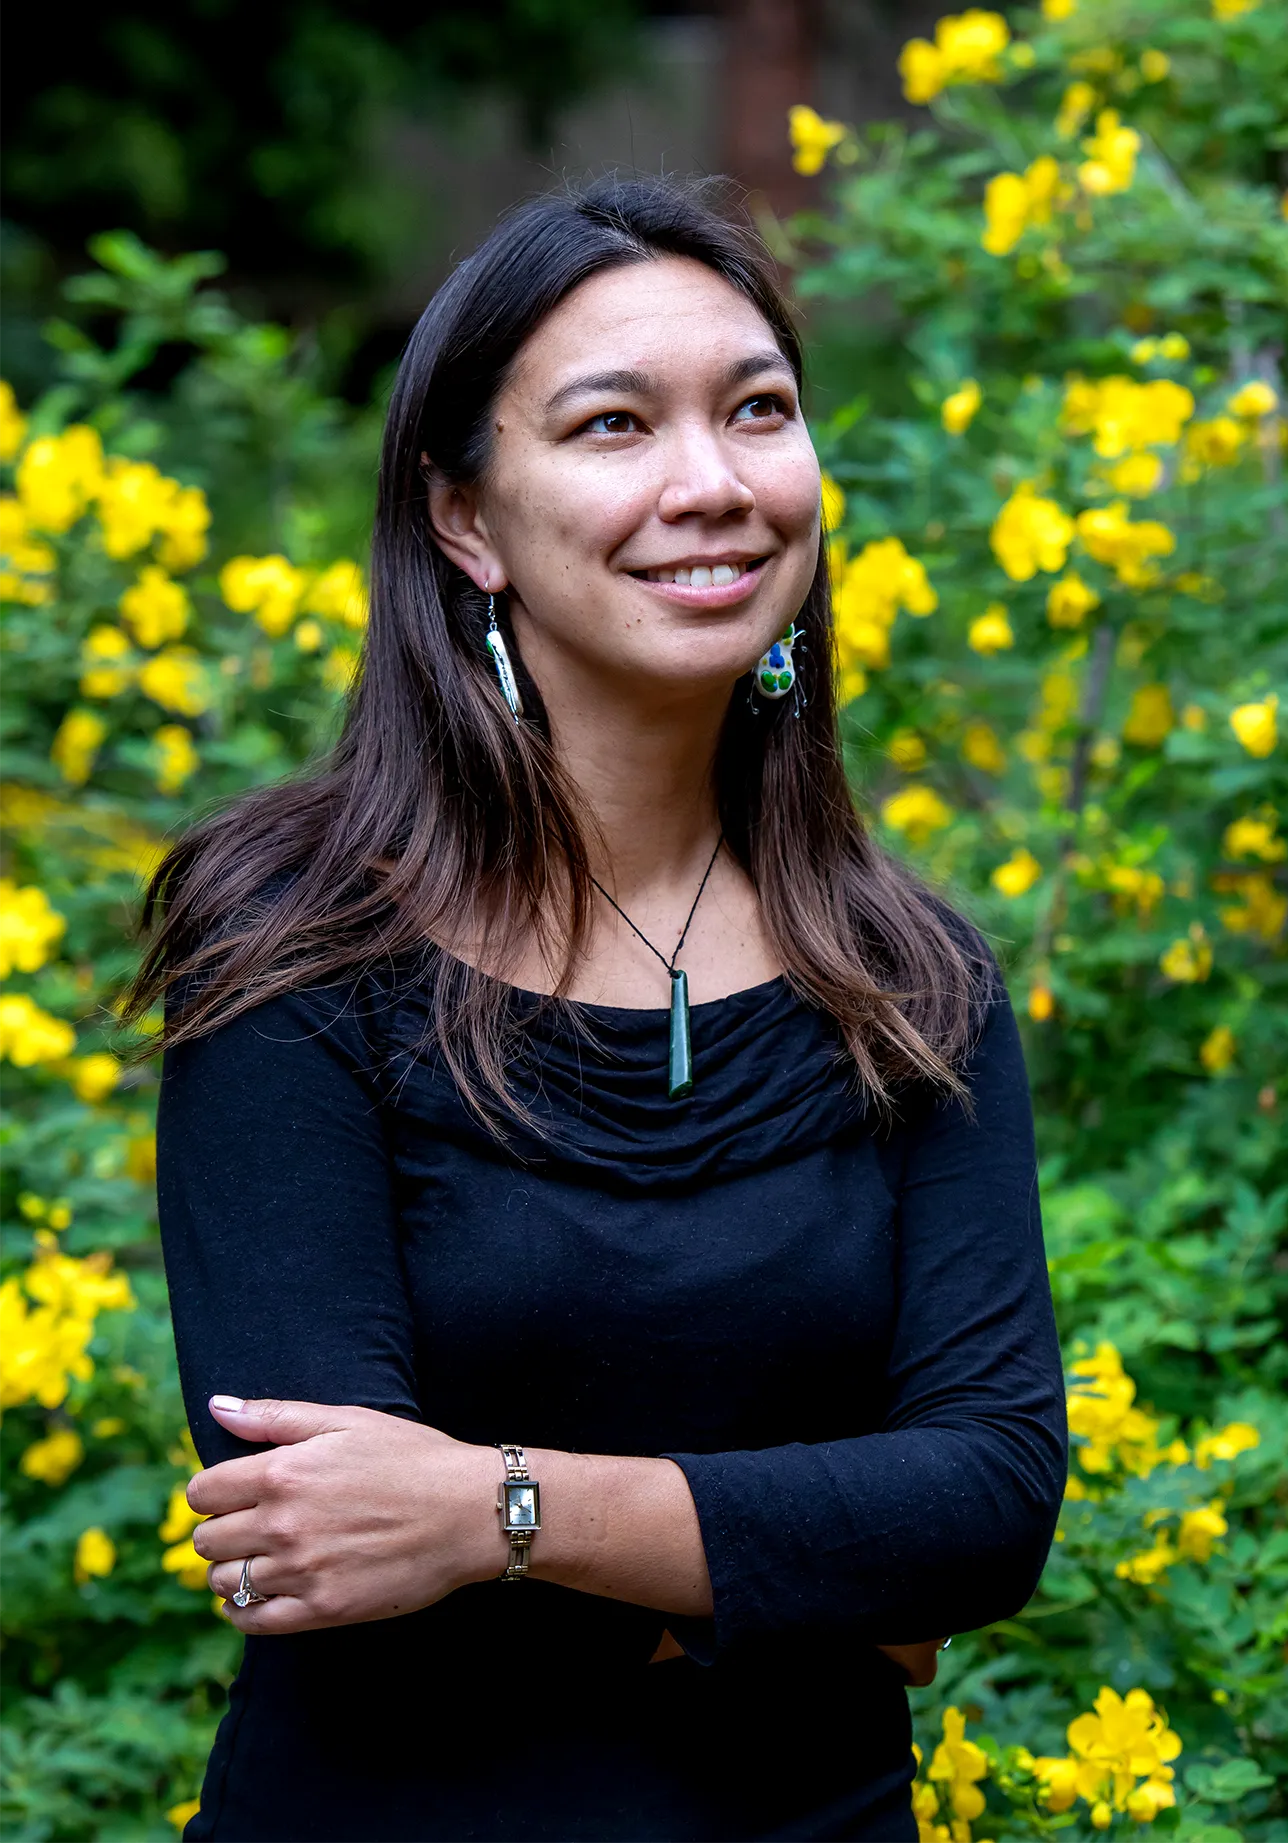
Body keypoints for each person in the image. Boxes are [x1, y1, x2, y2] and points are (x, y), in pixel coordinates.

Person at [133, 174, 1067, 1842]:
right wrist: (813, 1564)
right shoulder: (293, 943)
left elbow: (985, 1512)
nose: (708, 484)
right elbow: (330, 1544)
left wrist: (494, 1508)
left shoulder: (911, 982)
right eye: (613, 424)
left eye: (757, 410)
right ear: (465, 521)